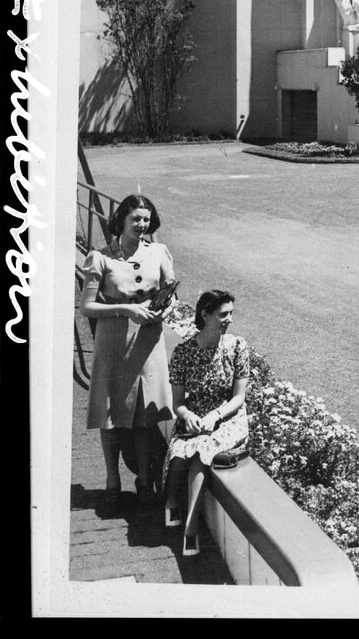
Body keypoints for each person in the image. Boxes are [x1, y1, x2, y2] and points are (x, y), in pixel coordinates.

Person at [77, 193, 176, 512]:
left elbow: (171, 294)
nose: (142, 224)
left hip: (147, 342)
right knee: (111, 417)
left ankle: (144, 482)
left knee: (143, 418)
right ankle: (111, 483)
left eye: (146, 219)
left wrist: (163, 310)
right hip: (114, 343)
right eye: (136, 218)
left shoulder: (159, 252)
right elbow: (87, 307)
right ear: (121, 220)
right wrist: (126, 309)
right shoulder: (100, 258)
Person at [164, 290, 251, 556]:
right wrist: (187, 416)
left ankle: (190, 528)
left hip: (227, 418)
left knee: (203, 452)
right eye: (223, 314)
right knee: (179, 457)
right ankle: (171, 501)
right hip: (196, 416)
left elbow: (238, 398)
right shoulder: (183, 353)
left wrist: (215, 416)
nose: (230, 320)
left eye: (231, 313)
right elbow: (177, 403)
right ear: (205, 315)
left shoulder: (237, 346)